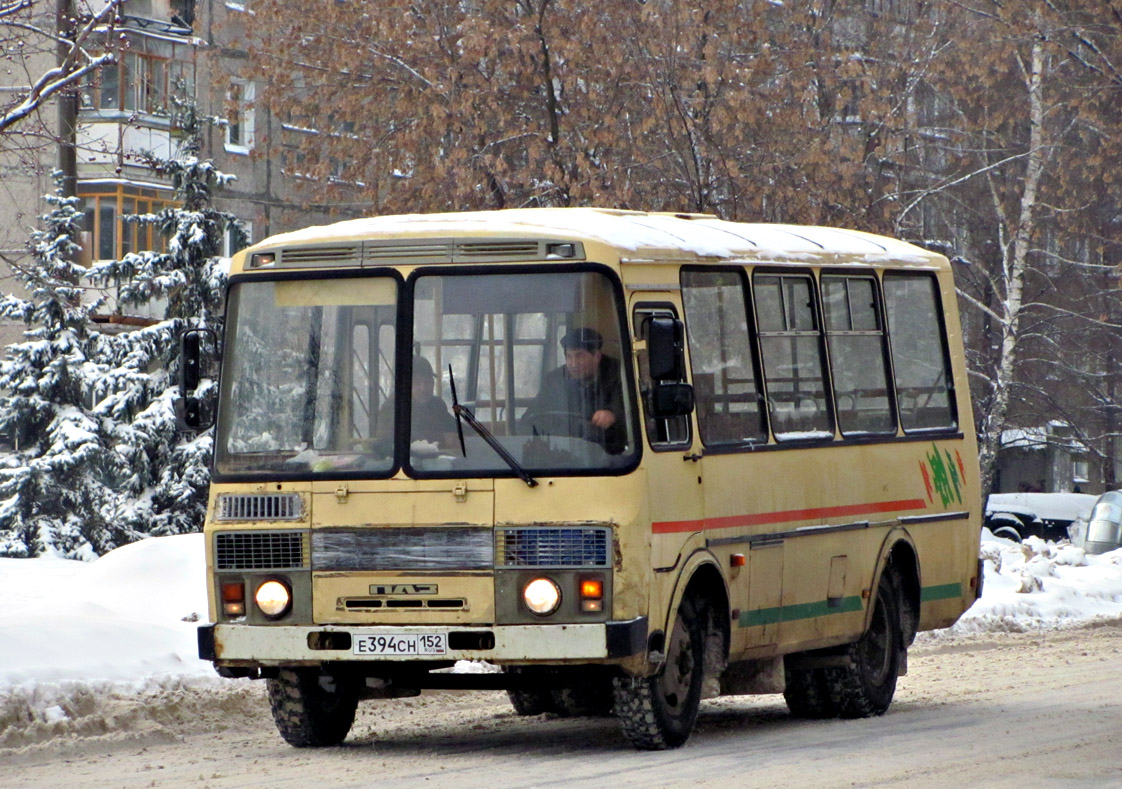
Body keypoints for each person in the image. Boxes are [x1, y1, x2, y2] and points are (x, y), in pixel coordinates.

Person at [521, 327, 626, 454]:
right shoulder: (555, 380)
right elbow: (531, 415)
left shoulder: (620, 375)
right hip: (564, 452)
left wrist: (612, 415)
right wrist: (535, 439)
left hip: (610, 454)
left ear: (597, 356)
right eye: (569, 357)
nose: (574, 364)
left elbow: (628, 408)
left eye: (579, 356)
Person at [375, 355, 458, 452]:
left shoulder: (437, 404)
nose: (423, 388)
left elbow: (452, 426)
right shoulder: (393, 407)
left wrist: (476, 428)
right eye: (417, 382)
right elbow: (390, 442)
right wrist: (443, 439)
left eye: (427, 382)